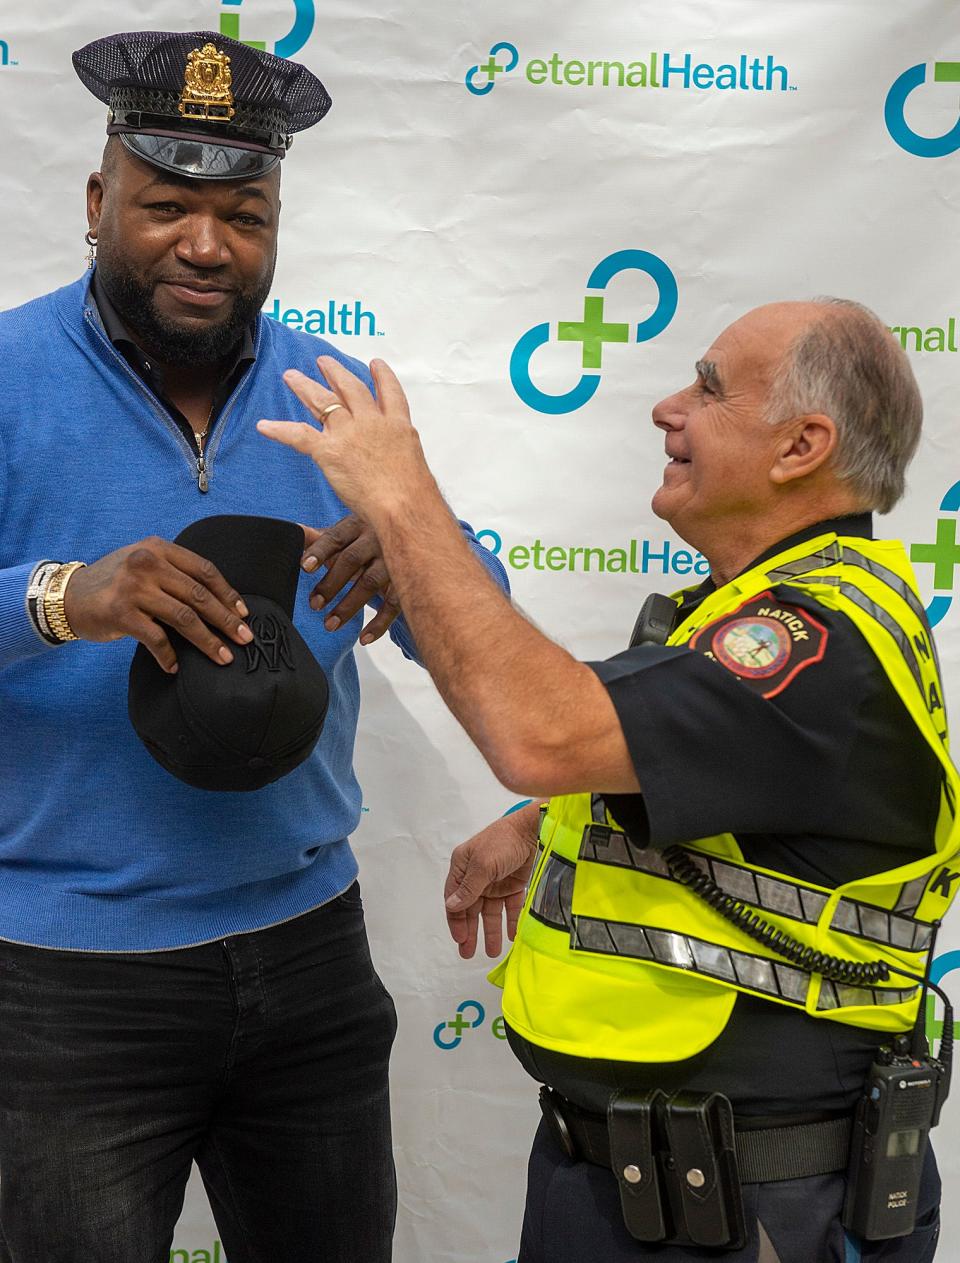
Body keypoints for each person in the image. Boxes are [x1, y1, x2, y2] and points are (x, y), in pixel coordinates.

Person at [258, 298, 958, 1262]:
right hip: (639, 1185)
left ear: (802, 445)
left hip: (754, 1205)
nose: (668, 408)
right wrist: (546, 818)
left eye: (709, 388)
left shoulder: (813, 643)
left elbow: (539, 731)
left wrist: (401, 499)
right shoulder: (750, 610)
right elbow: (713, 779)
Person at [0, 28, 508, 1263]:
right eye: (166, 204)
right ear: (94, 200)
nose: (207, 243)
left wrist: (419, 562)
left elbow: (479, 610)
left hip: (310, 958)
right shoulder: (7, 374)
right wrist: (65, 595)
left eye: (246, 212)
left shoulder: (335, 394)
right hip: (62, 979)